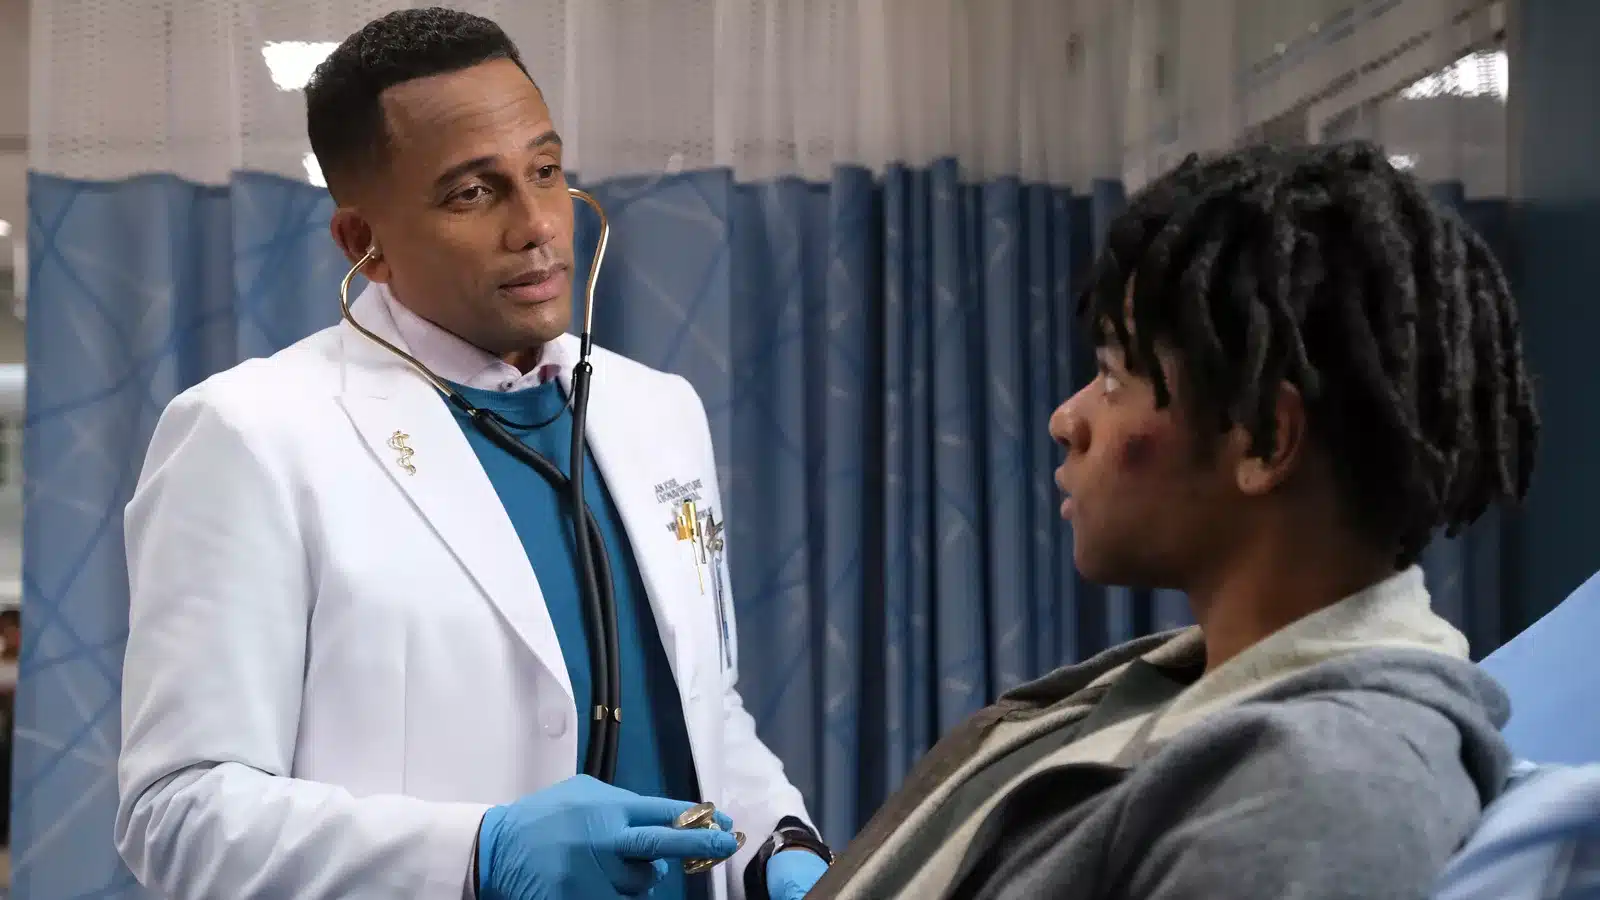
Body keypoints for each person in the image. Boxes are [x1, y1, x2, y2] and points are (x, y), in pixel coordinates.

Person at [114, 9, 831, 900]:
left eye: (545, 171)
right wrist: (475, 855)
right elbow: (177, 813)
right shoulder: (250, 434)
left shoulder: (659, 411)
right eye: (472, 193)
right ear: (362, 244)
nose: (537, 225)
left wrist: (778, 839)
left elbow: (699, 706)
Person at [807, 142, 1541, 899]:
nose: (1066, 420)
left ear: (1263, 438)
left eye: (1111, 378)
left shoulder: (1319, 797)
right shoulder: (1183, 681)